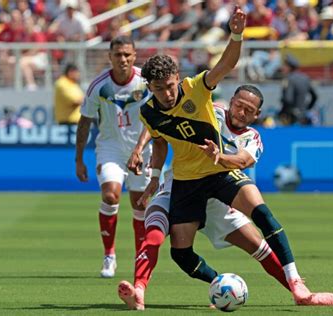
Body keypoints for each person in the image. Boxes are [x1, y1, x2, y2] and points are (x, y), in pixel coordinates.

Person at [133, 5, 333, 308]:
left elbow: (226, 65)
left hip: (219, 175)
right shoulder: (155, 112)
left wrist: (236, 33)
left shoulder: (198, 90)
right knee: (179, 252)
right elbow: (159, 139)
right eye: (159, 89)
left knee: (262, 218)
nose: (166, 94)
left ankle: (299, 288)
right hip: (186, 182)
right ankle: (214, 282)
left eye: (169, 86)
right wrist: (150, 176)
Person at [118, 86, 298, 310]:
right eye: (239, 105)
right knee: (157, 237)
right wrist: (139, 149)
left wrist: (219, 156)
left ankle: (298, 291)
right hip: (179, 187)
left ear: (256, 115)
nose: (241, 112)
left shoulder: (253, 138)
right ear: (231, 101)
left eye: (248, 110)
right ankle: (139, 291)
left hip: (218, 200)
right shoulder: (211, 112)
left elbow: (242, 161)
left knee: (259, 248)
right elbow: (157, 121)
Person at [75, 36, 151, 278]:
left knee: (141, 205)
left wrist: (139, 149)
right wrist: (79, 159)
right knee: (110, 195)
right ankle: (109, 255)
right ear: (110, 57)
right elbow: (84, 122)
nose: (123, 59)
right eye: (118, 55)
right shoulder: (99, 86)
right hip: (110, 148)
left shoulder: (146, 82)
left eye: (127, 54)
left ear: (135, 55)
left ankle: (141, 256)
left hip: (142, 149)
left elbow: (155, 119)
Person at [278, 54, 318, 125]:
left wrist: (282, 112)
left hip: (291, 117)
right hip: (303, 115)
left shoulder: (289, 79)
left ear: (289, 67)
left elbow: (288, 99)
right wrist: (307, 108)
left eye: (284, 65)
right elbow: (315, 96)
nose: (282, 68)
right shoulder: (305, 78)